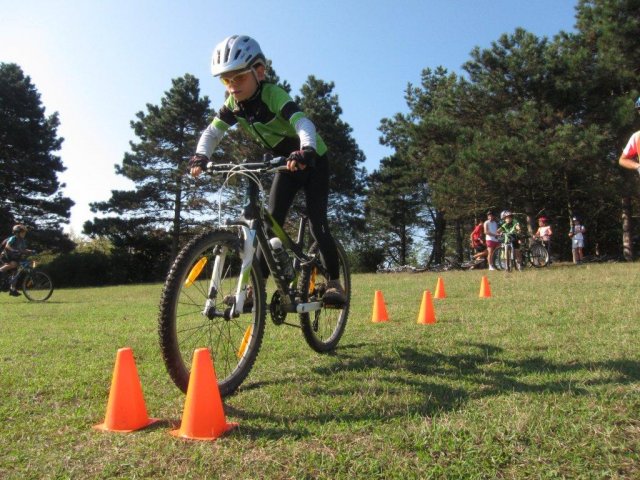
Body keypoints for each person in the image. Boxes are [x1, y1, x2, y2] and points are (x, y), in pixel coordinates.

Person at [188, 35, 345, 305]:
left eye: (238, 77)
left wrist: (306, 150)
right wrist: (201, 155)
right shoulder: (233, 105)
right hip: (285, 162)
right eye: (226, 80)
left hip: (313, 157)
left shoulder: (273, 95)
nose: (232, 86)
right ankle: (253, 292)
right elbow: (213, 132)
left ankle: (334, 283)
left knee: (318, 224)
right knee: (269, 222)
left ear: (259, 72)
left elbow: (302, 122)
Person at [0, 224, 33, 297]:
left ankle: (12, 289)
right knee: (14, 264)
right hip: (5, 256)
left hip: (14, 257)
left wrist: (31, 251)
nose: (24, 233)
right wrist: (13, 250)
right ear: (17, 233)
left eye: (24, 232)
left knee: (16, 272)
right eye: (22, 232)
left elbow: (23, 250)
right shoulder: (13, 238)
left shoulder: (22, 241)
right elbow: (7, 246)